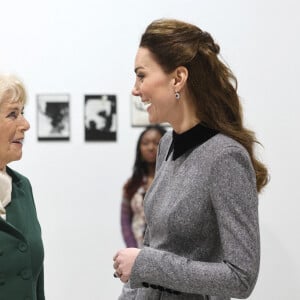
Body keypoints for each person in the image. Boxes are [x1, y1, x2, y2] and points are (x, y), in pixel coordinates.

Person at [113, 19, 269, 300]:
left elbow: (241, 277)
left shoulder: (225, 158)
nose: (135, 89)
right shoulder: (167, 145)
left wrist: (146, 264)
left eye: (141, 75)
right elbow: (152, 245)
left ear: (178, 78)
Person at [0, 74, 45, 299]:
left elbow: (36, 283)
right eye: (12, 114)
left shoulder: (22, 187)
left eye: (23, 113)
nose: (25, 124)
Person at [121, 124, 167, 248]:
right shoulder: (131, 185)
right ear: (139, 149)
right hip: (136, 251)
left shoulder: (173, 181)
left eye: (156, 143)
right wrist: (132, 248)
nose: (151, 147)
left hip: (167, 253)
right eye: (145, 143)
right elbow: (125, 221)